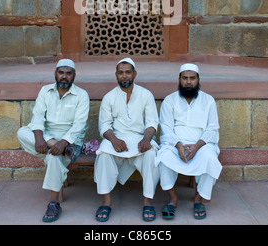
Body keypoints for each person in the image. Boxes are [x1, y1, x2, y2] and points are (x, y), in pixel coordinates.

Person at [17, 59, 90, 222]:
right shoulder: (45, 91)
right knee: (22, 132)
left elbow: (79, 125)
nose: (64, 76)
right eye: (61, 72)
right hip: (48, 135)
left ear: (74, 76)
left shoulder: (82, 95)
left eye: (68, 73)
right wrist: (41, 138)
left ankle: (53, 201)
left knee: (53, 156)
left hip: (70, 139)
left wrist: (63, 143)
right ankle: (57, 149)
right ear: (55, 73)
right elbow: (37, 116)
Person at [94, 57, 159, 222]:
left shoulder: (146, 95)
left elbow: (152, 122)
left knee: (151, 154)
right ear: (116, 75)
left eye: (128, 72)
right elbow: (104, 126)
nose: (124, 76)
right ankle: (106, 202)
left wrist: (146, 139)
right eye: (121, 73)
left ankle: (148, 202)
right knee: (103, 154)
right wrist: (114, 140)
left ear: (134, 74)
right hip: (117, 138)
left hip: (139, 138)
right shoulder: (109, 97)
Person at [155, 63, 222, 220]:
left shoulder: (209, 100)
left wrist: (197, 146)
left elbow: (212, 128)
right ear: (179, 79)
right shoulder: (169, 100)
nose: (189, 82)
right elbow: (166, 128)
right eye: (185, 78)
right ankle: (173, 198)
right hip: (175, 144)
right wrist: (178, 145)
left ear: (198, 80)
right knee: (163, 158)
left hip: (201, 144)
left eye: (192, 78)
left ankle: (198, 199)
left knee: (210, 158)